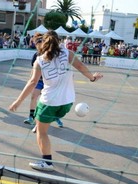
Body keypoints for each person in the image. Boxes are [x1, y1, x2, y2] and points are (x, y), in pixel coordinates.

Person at [9, 30, 103, 171]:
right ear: (58, 41)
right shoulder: (68, 53)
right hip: (67, 102)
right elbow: (81, 67)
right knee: (43, 121)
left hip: (49, 103)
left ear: (44, 43)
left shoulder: (39, 61)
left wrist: (18, 101)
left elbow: (32, 82)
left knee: (42, 132)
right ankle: (43, 121)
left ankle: (47, 162)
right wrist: (92, 78)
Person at [23, 32, 63, 128]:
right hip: (39, 81)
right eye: (35, 43)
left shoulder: (51, 54)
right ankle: (31, 117)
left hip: (49, 82)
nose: (36, 45)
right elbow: (33, 70)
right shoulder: (35, 56)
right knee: (34, 97)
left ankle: (56, 117)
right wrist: (30, 80)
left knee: (51, 102)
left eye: (38, 43)